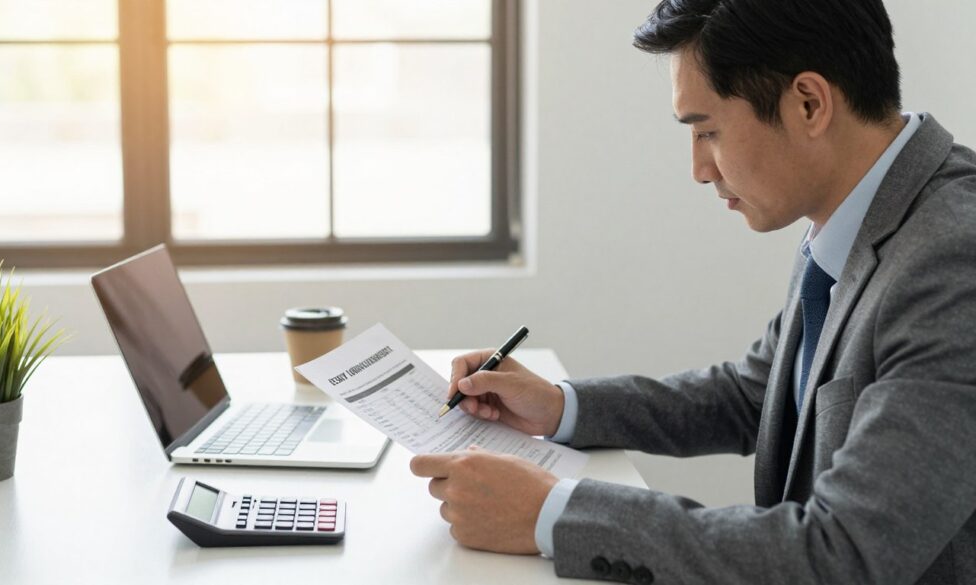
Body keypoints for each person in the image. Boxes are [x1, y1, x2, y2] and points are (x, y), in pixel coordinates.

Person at [409, 0, 976, 583]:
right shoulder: (860, 216)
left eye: (708, 130)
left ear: (809, 103)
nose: (699, 169)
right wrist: (559, 406)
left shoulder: (953, 262)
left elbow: (846, 552)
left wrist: (551, 513)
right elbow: (752, 394)